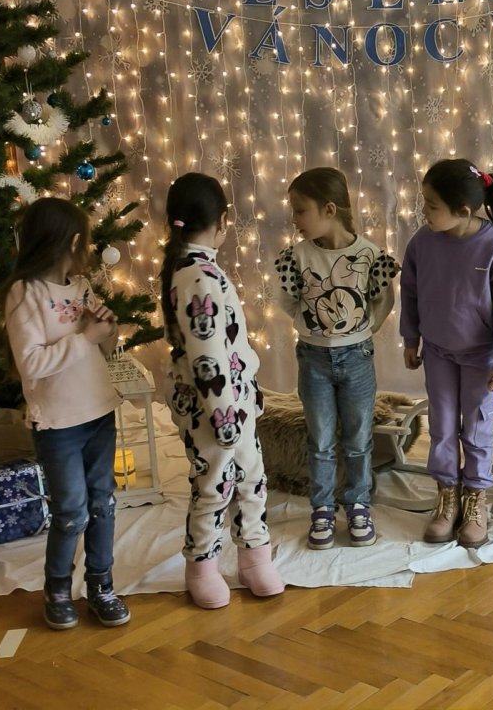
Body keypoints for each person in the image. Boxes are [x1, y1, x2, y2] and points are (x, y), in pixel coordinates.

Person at [0, 197, 130, 631]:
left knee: (103, 503)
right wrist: (85, 337)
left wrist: (107, 329)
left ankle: (101, 585)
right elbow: (31, 364)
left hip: (99, 412)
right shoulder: (25, 293)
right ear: (73, 241)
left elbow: (104, 347)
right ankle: (57, 589)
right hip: (58, 423)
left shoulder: (81, 286)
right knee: (71, 511)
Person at [161, 173, 284, 609]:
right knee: (213, 483)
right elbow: (206, 354)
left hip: (235, 400)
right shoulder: (196, 274)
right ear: (222, 220)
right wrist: (222, 415)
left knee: (251, 476)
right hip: (213, 406)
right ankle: (202, 566)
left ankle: (255, 557)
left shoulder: (200, 267)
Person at [400, 158, 493, 548]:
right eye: (424, 202)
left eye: (431, 205)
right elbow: (410, 292)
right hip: (438, 353)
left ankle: (475, 497)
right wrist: (411, 338)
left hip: (481, 359)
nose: (424, 211)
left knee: (476, 427)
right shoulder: (422, 243)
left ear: (463, 211)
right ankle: (447, 495)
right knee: (441, 427)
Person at [274, 167, 399, 549]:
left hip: (357, 358)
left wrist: (364, 329)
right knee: (321, 440)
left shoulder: (369, 255)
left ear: (329, 209)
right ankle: (323, 508)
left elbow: (384, 298)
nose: (294, 219)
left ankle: (358, 503)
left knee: (358, 438)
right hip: (313, 360)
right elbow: (287, 301)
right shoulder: (297, 257)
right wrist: (314, 327)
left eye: (300, 210)